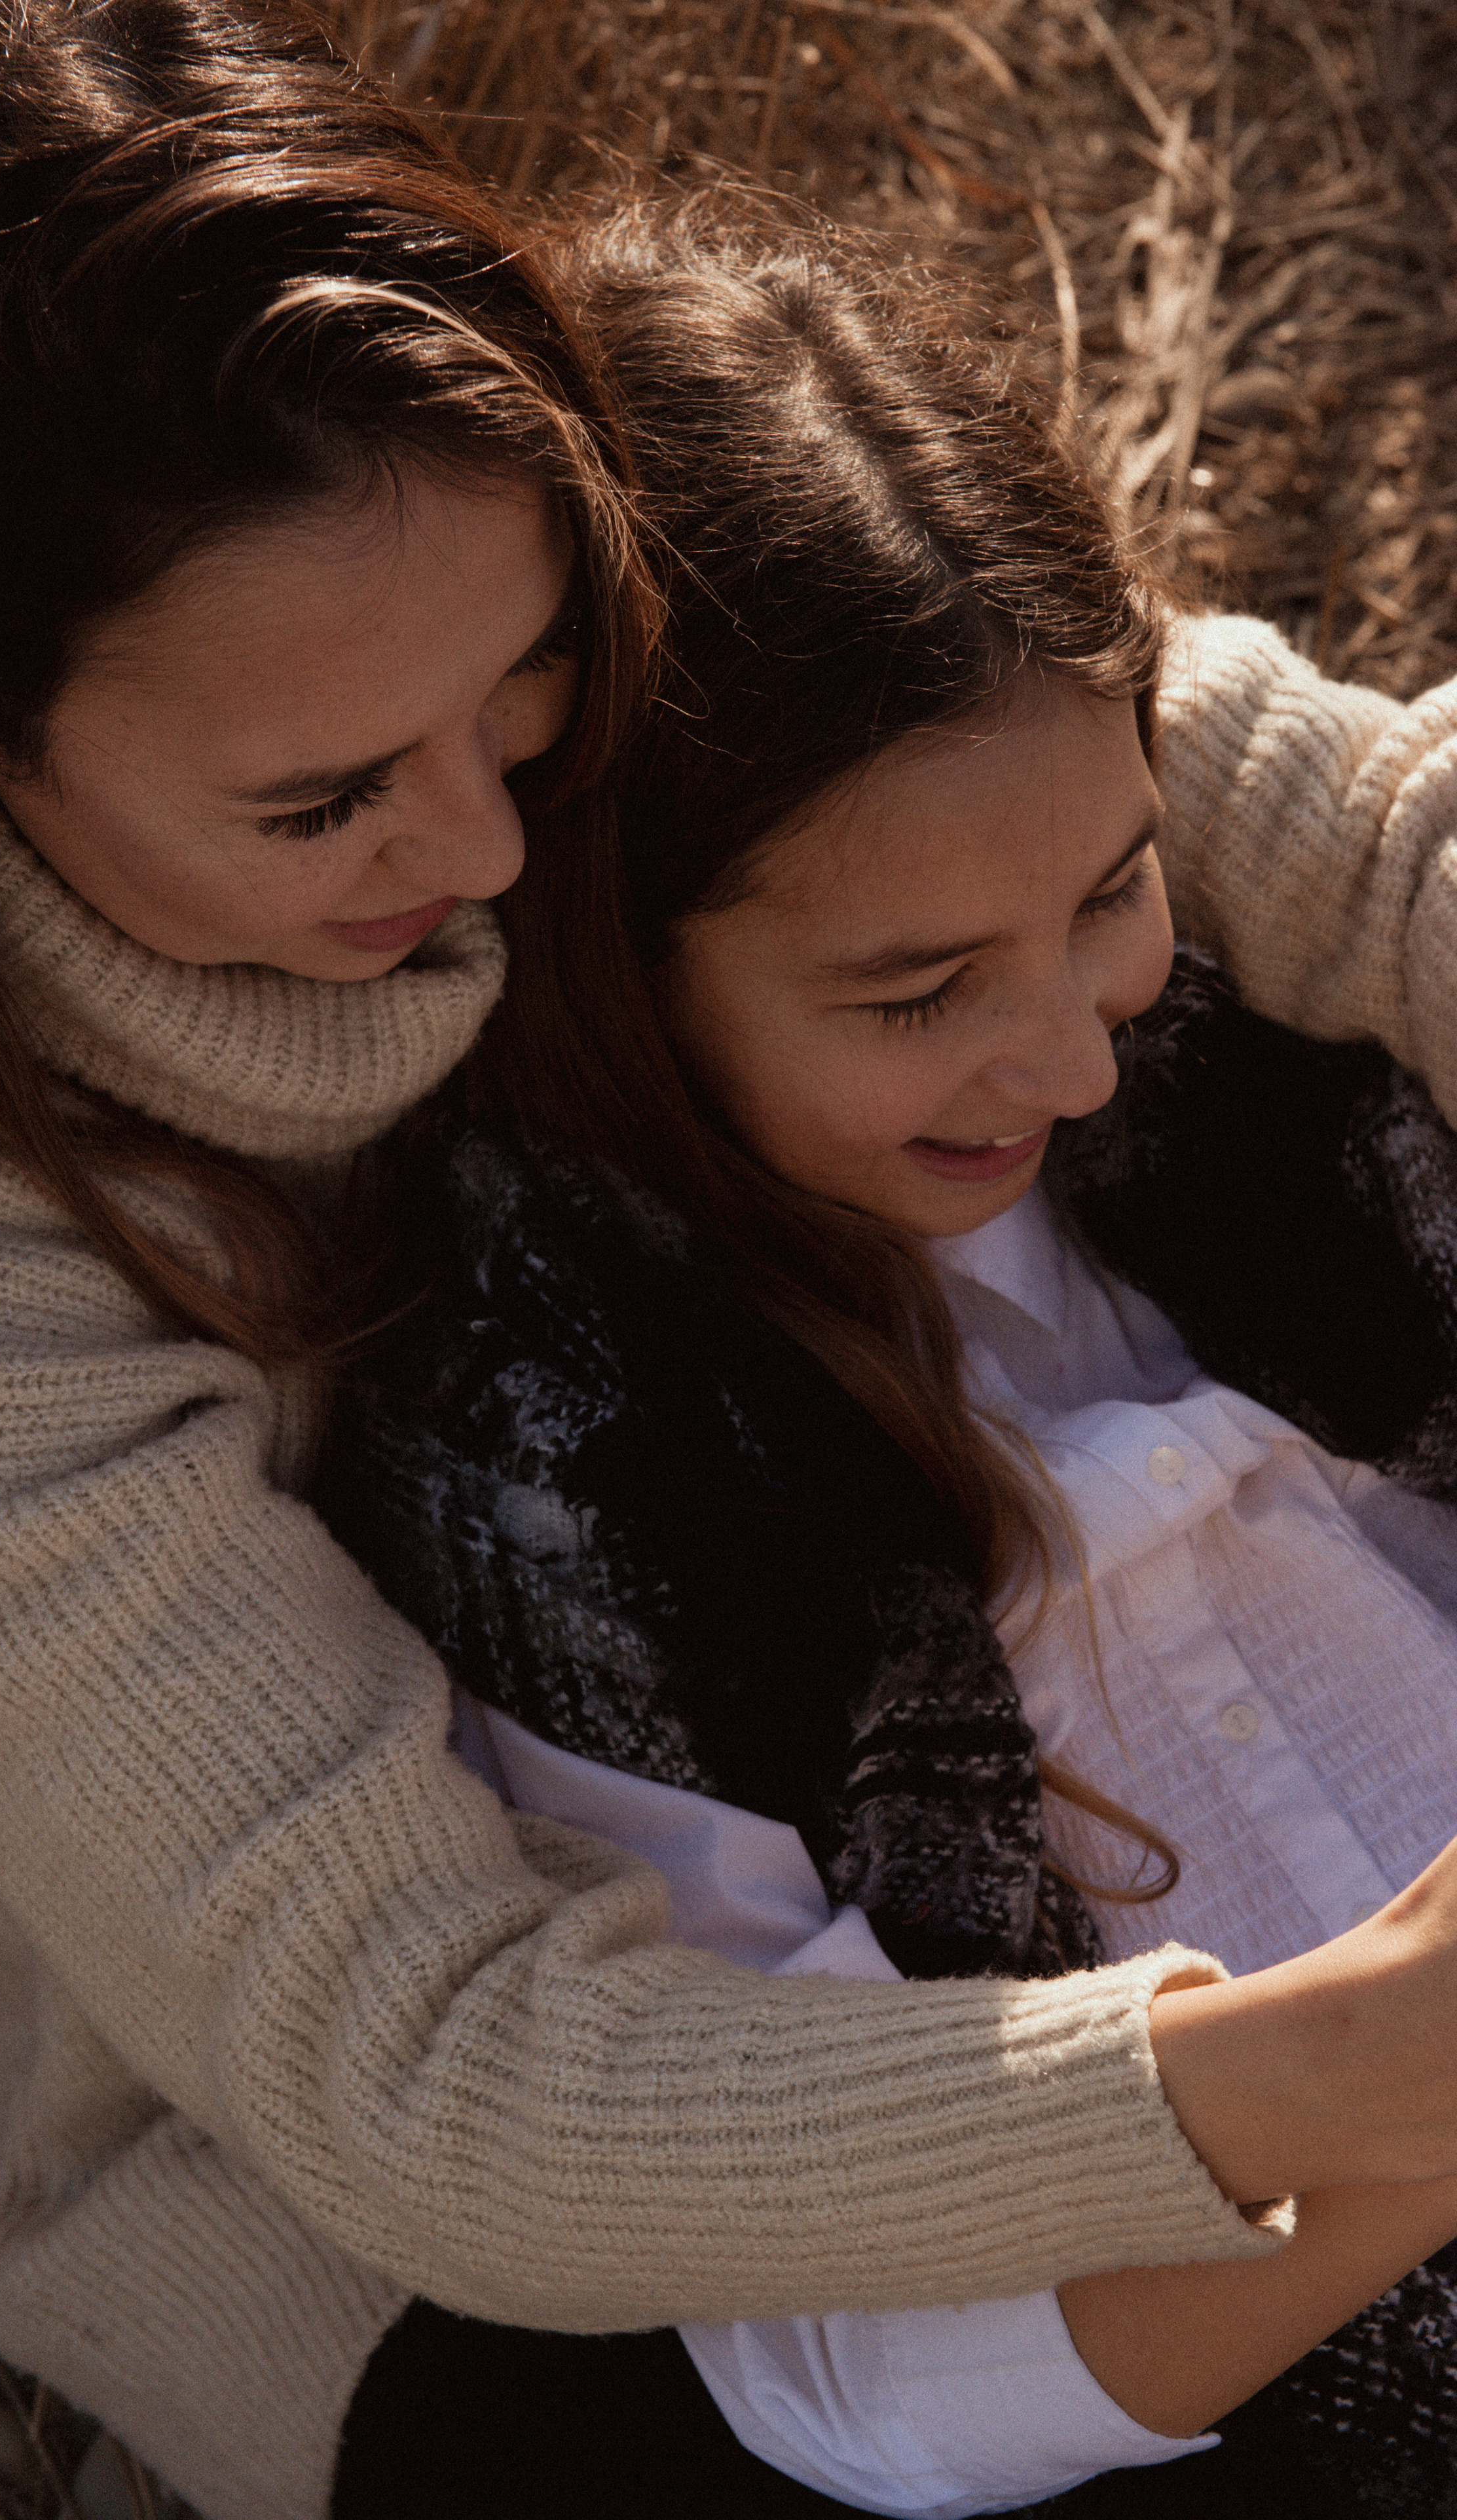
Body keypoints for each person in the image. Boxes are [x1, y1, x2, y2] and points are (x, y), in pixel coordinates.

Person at [322, 203, 1457, 2517]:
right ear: (609, 965)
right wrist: (1395, 2119)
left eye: (1112, 890)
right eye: (916, 989)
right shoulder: (565, 1457)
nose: (1070, 1053)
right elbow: (865, 2384)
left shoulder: (1278, 1110)